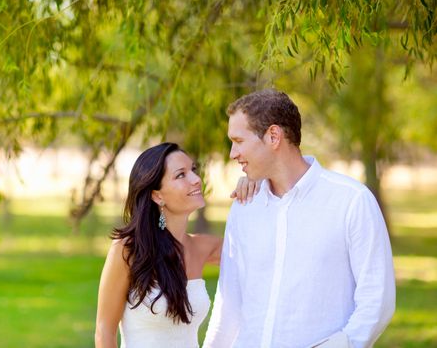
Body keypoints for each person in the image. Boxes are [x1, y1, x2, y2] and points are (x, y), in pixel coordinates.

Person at [203, 89, 396, 348]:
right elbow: (229, 305)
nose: (232, 153)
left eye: (238, 141)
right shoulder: (244, 206)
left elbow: (377, 298)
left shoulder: (351, 201)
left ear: (273, 136)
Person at [96, 142, 249, 348]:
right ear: (157, 195)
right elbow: (105, 331)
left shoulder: (202, 247)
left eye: (193, 170)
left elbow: (259, 250)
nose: (196, 180)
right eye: (181, 175)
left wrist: (254, 191)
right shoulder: (127, 250)